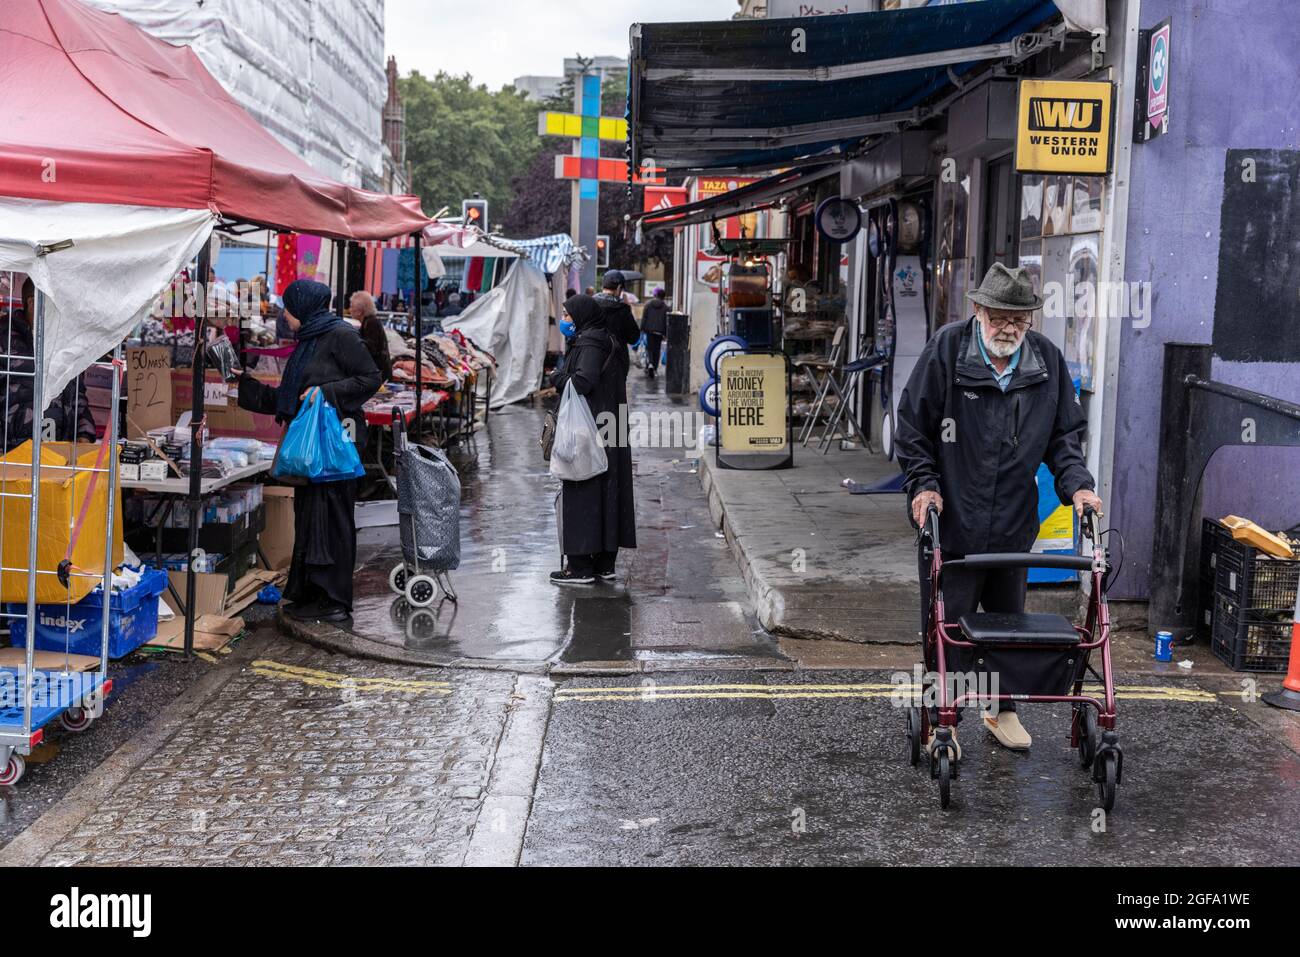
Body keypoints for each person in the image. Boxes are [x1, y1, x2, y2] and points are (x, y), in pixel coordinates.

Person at [894, 263, 1103, 752]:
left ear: (1030, 319)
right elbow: (912, 429)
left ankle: (1000, 708)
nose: (1009, 327)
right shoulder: (946, 351)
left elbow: (1064, 440)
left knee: (1009, 624)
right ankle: (940, 718)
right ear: (978, 310)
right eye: (999, 317)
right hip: (952, 522)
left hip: (1012, 522)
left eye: (1019, 318)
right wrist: (923, 486)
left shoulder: (1046, 361)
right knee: (947, 625)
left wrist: (1079, 486)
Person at [238, 279, 381, 622]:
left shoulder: (340, 335)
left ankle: (335, 599)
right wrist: (243, 383)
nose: (285, 315)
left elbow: (371, 377)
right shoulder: (308, 341)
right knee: (310, 518)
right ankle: (312, 592)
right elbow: (292, 397)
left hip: (335, 445)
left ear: (304, 307)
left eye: (289, 308)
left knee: (333, 519)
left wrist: (327, 392)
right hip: (312, 448)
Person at [548, 294, 636, 585]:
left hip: (590, 428)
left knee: (583, 488)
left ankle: (580, 567)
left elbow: (583, 381)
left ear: (583, 316)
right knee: (609, 491)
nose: (565, 320)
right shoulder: (611, 341)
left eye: (568, 315)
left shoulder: (589, 343)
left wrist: (557, 377)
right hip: (611, 424)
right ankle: (604, 562)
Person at [2, 278, 97, 451]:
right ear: (32, 303)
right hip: (10, 457)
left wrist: (85, 435)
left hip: (60, 457)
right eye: (56, 305)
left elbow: (78, 396)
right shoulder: (4, 338)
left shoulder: (66, 341)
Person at [593, 270, 641, 375]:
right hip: (617, 363)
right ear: (619, 288)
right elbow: (634, 338)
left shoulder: (590, 305)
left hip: (593, 360)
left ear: (603, 286)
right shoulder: (623, 310)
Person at [349, 291, 392, 381]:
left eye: (352, 306)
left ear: (360, 311)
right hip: (377, 372)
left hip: (380, 374)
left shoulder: (372, 323)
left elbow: (370, 348)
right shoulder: (367, 322)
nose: (350, 309)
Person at [640, 287, 669, 378]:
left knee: (649, 348)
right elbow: (666, 321)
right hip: (660, 332)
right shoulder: (666, 307)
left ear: (655, 295)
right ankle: (655, 368)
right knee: (657, 349)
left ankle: (650, 364)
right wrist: (665, 333)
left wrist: (642, 329)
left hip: (649, 331)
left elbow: (644, 317)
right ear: (663, 297)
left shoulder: (648, 304)